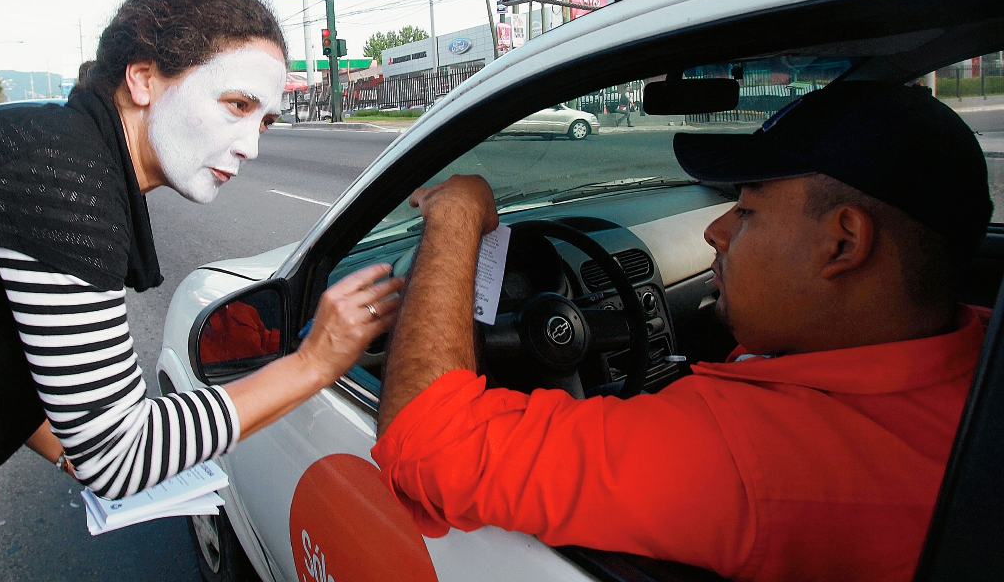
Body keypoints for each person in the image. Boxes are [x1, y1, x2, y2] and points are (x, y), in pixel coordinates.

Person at [0, 0, 403, 582]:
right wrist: (315, 363)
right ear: (143, 80)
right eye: (236, 105)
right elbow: (119, 456)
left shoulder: (60, 148)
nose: (250, 144)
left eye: (266, 121)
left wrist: (65, 440)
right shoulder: (61, 177)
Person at [372, 82, 992, 582]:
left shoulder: (753, 459)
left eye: (747, 210)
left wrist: (456, 217)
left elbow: (424, 442)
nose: (714, 232)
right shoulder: (979, 355)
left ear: (843, 242)